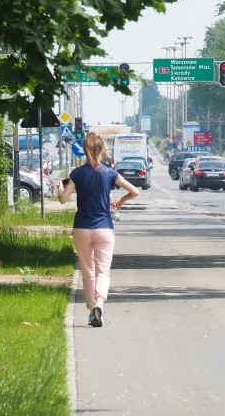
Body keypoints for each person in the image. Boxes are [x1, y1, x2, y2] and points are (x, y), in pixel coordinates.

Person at [58, 132, 139, 327]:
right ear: (102, 150)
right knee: (103, 271)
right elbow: (135, 191)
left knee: (88, 272)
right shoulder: (110, 173)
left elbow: (63, 199)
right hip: (104, 228)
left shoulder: (77, 173)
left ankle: (92, 310)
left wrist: (59, 188)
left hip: (82, 228)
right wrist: (121, 201)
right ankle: (100, 303)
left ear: (84, 151)